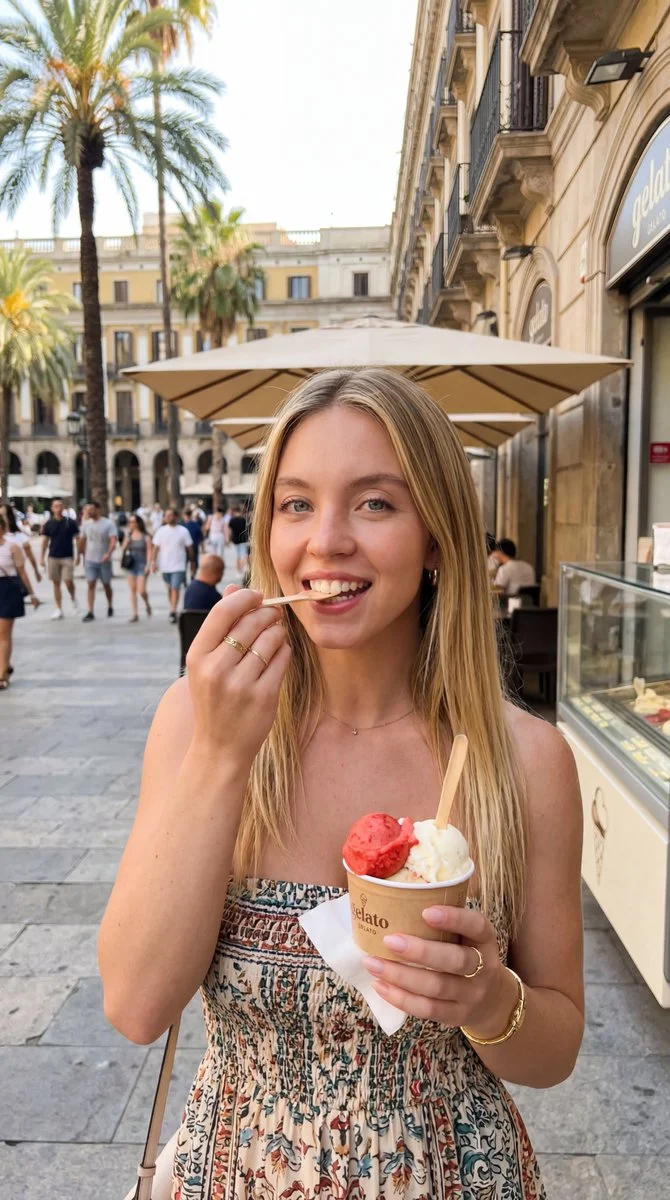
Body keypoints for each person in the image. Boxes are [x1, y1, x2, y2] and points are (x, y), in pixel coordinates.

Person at [100, 367, 583, 1200]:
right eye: (296, 503)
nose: (325, 540)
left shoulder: (525, 760)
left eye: (374, 503)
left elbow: (557, 1047)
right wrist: (221, 756)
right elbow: (137, 1006)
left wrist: (485, 998)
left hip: (455, 1177)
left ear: (436, 537)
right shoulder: (195, 720)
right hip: (236, 1171)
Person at [0, 514, 41, 689]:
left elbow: (22, 573)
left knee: (3, 633)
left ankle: (2, 674)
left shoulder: (13, 547)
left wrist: (32, 594)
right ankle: (5, 664)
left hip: (8, 589)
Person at [151, 507, 193, 623]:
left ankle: (173, 611)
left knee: (175, 587)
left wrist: (192, 562)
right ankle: (172, 607)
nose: (169, 517)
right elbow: (155, 548)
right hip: (165, 566)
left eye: (171, 515)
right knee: (170, 588)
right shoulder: (161, 531)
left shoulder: (183, 531)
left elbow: (189, 548)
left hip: (179, 565)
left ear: (176, 517)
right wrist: (153, 562)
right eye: (167, 515)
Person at [39, 498, 80, 619]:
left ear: (63, 508)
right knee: (56, 584)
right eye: (55, 506)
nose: (58, 508)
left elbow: (78, 539)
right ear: (52, 508)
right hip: (53, 556)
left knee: (68, 581)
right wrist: (41, 557)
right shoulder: (49, 524)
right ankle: (58, 608)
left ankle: (73, 598)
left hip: (67, 556)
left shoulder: (70, 522)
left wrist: (79, 555)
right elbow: (45, 541)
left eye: (60, 506)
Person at [79, 500, 117, 622]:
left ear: (98, 510)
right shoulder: (86, 524)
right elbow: (82, 540)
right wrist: (81, 556)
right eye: (87, 510)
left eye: (91, 510)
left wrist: (109, 553)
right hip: (90, 560)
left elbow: (113, 540)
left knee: (106, 584)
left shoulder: (108, 524)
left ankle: (110, 605)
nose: (89, 512)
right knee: (91, 584)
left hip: (104, 560)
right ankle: (90, 611)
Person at [121, 514, 153, 623]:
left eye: (133, 522)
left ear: (138, 523)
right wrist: (126, 539)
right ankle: (135, 614)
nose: (131, 524)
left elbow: (149, 551)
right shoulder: (129, 536)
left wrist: (148, 565)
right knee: (133, 590)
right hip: (131, 565)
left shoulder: (146, 536)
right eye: (130, 522)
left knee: (141, 590)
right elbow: (123, 548)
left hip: (142, 565)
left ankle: (147, 604)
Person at [1, 503, 42, 586]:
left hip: (13, 579)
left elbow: (30, 556)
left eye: (3, 515)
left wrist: (36, 571)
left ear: (9, 517)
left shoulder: (19, 536)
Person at [227, 503, 250, 577]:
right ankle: (243, 568)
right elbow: (247, 530)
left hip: (235, 540)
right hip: (243, 540)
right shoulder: (243, 520)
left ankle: (238, 571)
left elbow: (229, 531)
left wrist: (228, 539)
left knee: (237, 556)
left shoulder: (232, 520)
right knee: (244, 556)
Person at [182, 507, 203, 580]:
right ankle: (192, 575)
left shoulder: (181, 526)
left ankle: (184, 578)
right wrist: (203, 549)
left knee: (184, 563)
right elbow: (201, 537)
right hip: (194, 547)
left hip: (183, 548)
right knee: (194, 562)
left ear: (184, 515)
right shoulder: (196, 525)